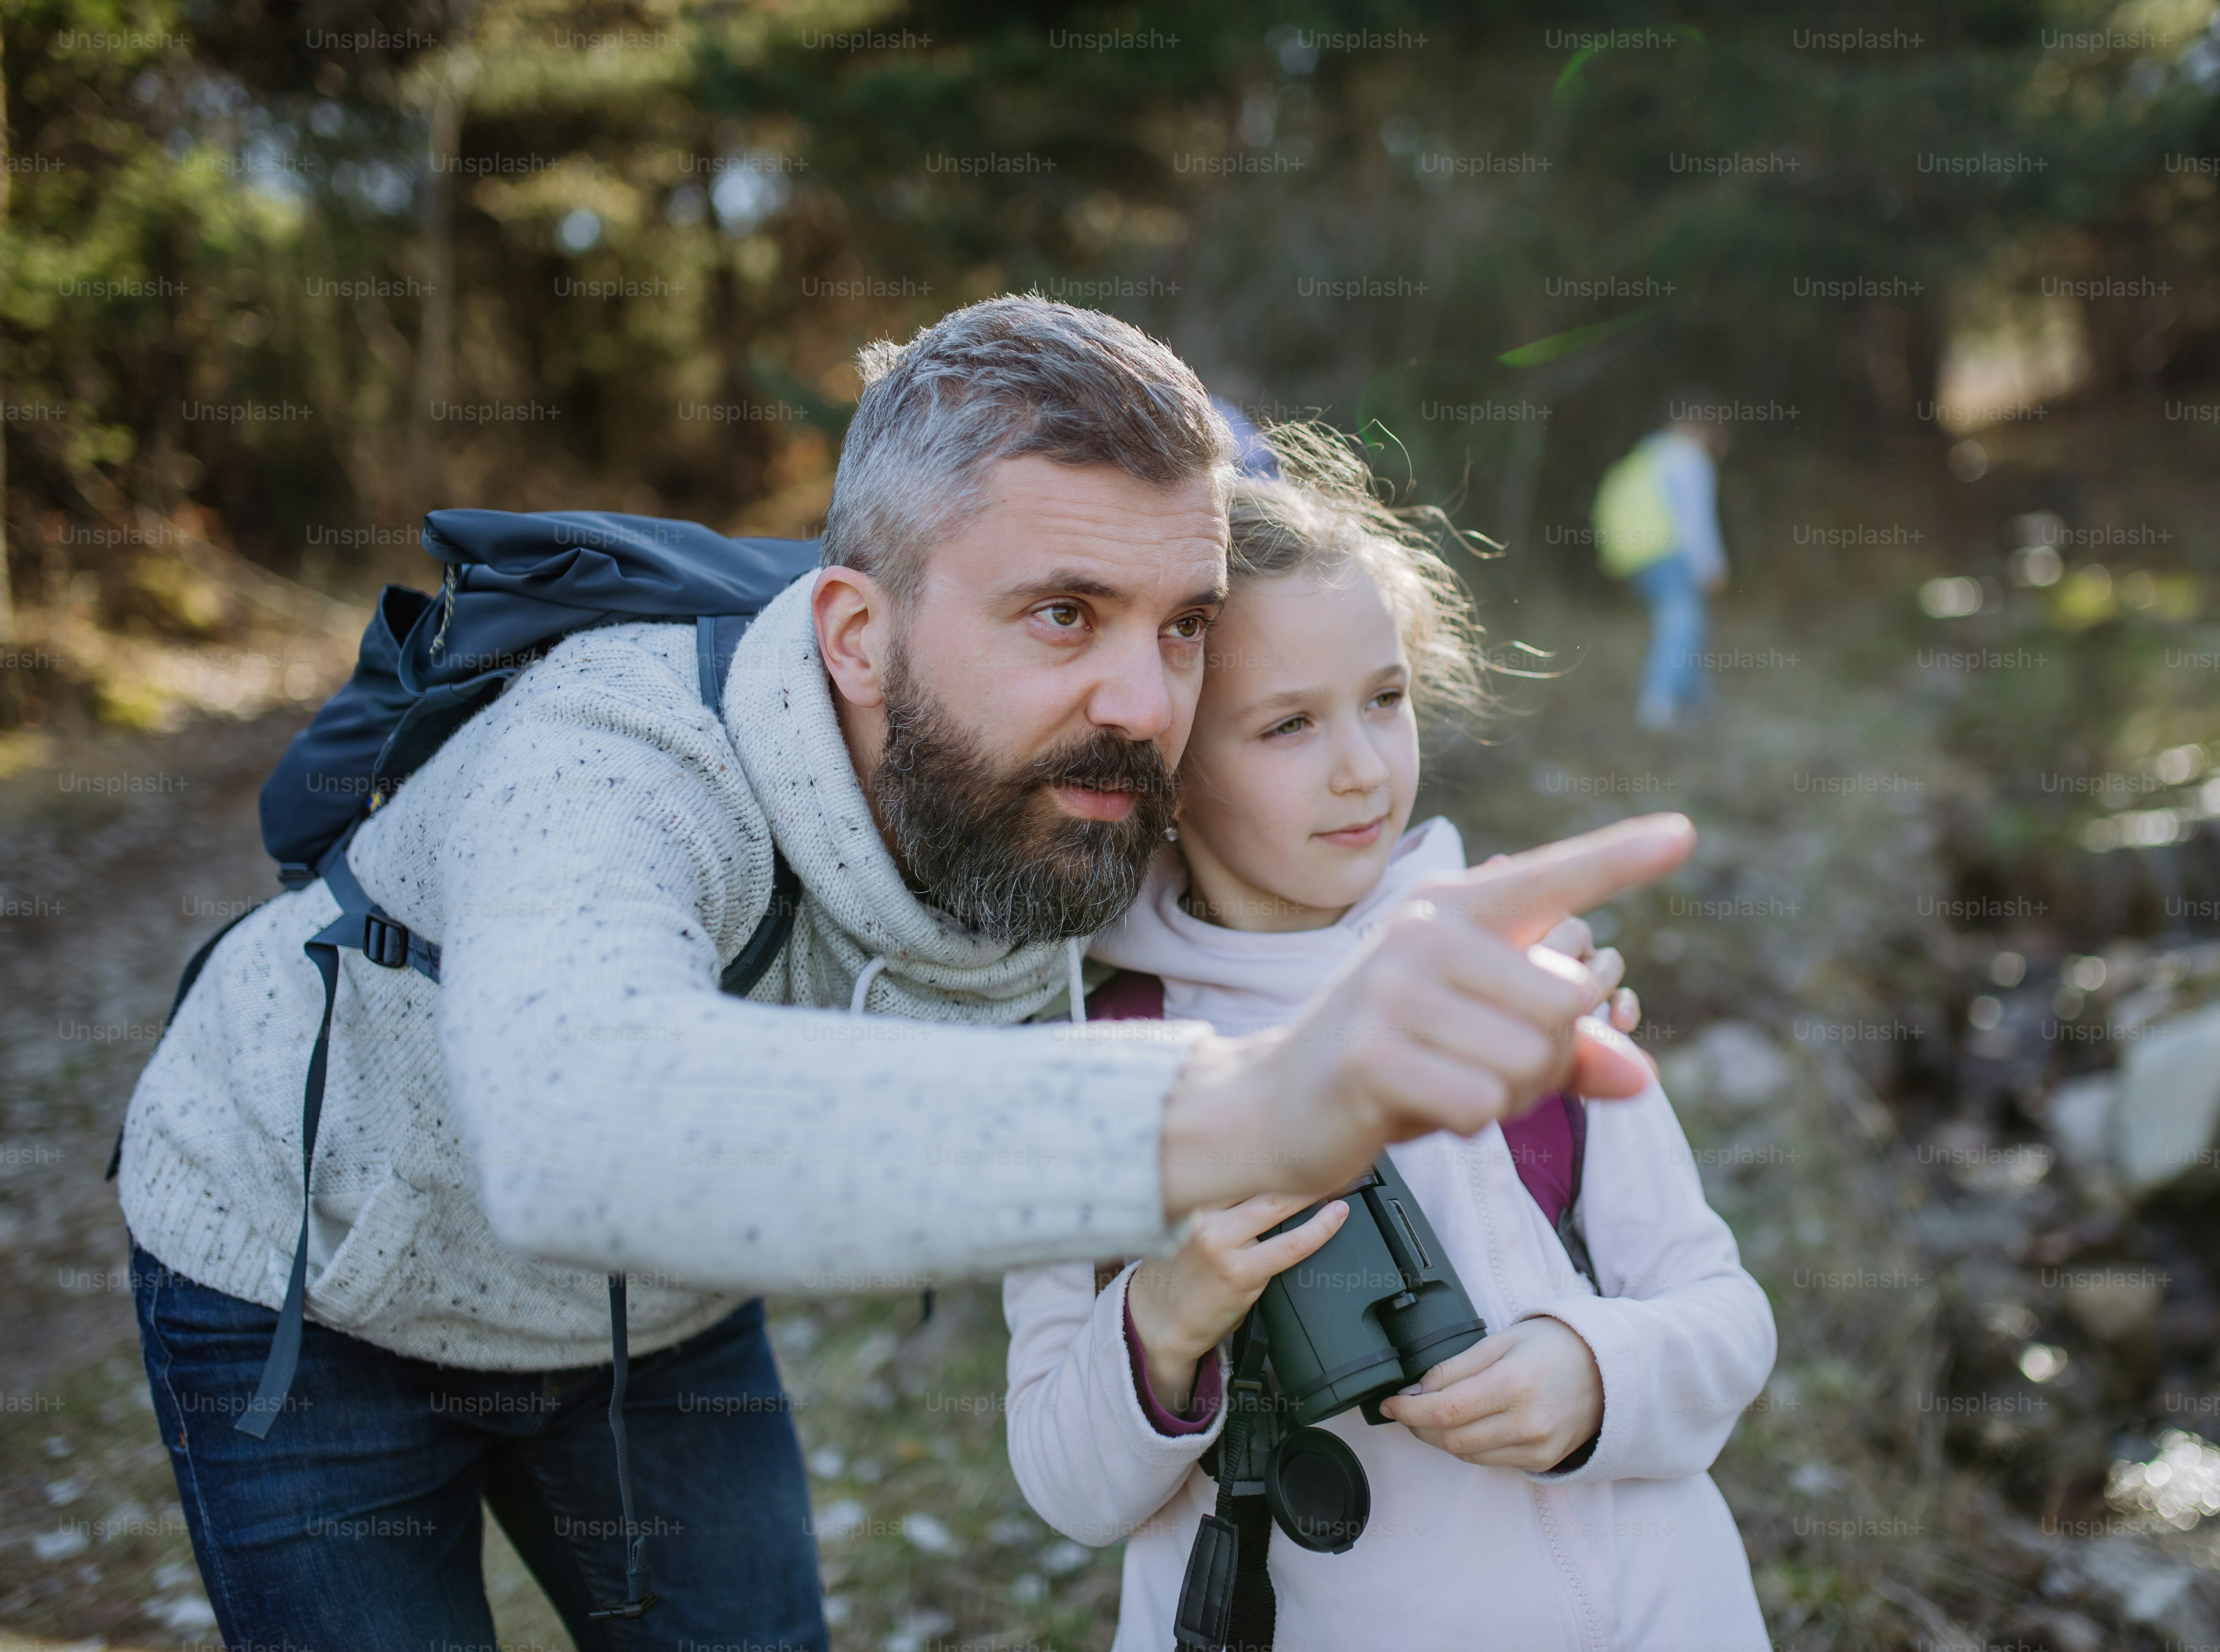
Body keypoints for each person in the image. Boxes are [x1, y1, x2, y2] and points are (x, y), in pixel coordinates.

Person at [116, 295, 1696, 1650]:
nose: (1145, 700)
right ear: (857, 636)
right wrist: (1240, 1109)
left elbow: (1292, 896)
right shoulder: (611, 752)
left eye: (1185, 624)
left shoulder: (1075, 792)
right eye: (1064, 612)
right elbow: (573, 1121)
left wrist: (1513, 995)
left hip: (646, 1314)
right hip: (305, 1275)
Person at [1003, 427, 1775, 1651]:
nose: (1363, 769)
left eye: (1385, 700)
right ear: (1173, 767)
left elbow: (1723, 1314)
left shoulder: (1524, 975)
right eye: (1288, 728)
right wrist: (1171, 1311)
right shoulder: (1102, 1065)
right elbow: (1066, 1486)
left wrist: (1595, 1374)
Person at [1593, 397, 1732, 730]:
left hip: (1637, 557)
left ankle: (1694, 702)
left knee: (1688, 623)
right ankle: (1660, 703)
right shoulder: (1688, 459)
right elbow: (1695, 520)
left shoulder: (1649, 455)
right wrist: (1711, 566)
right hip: (1667, 552)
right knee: (1680, 624)